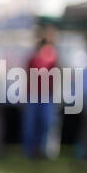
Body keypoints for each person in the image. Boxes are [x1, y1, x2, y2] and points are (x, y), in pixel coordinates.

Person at [23, 29, 59, 159]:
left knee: (46, 124)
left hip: (47, 95)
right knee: (31, 125)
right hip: (33, 95)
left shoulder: (53, 56)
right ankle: (30, 151)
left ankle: (44, 151)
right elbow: (27, 76)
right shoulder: (33, 57)